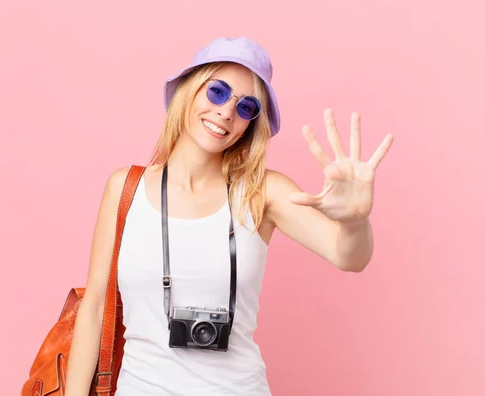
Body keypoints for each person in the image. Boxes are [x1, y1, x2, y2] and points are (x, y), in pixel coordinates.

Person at [64, 37, 394, 395]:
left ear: (251, 124)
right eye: (218, 91)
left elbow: (349, 256)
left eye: (246, 106)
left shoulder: (262, 192)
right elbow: (95, 306)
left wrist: (355, 220)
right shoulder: (124, 188)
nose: (226, 112)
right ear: (189, 90)